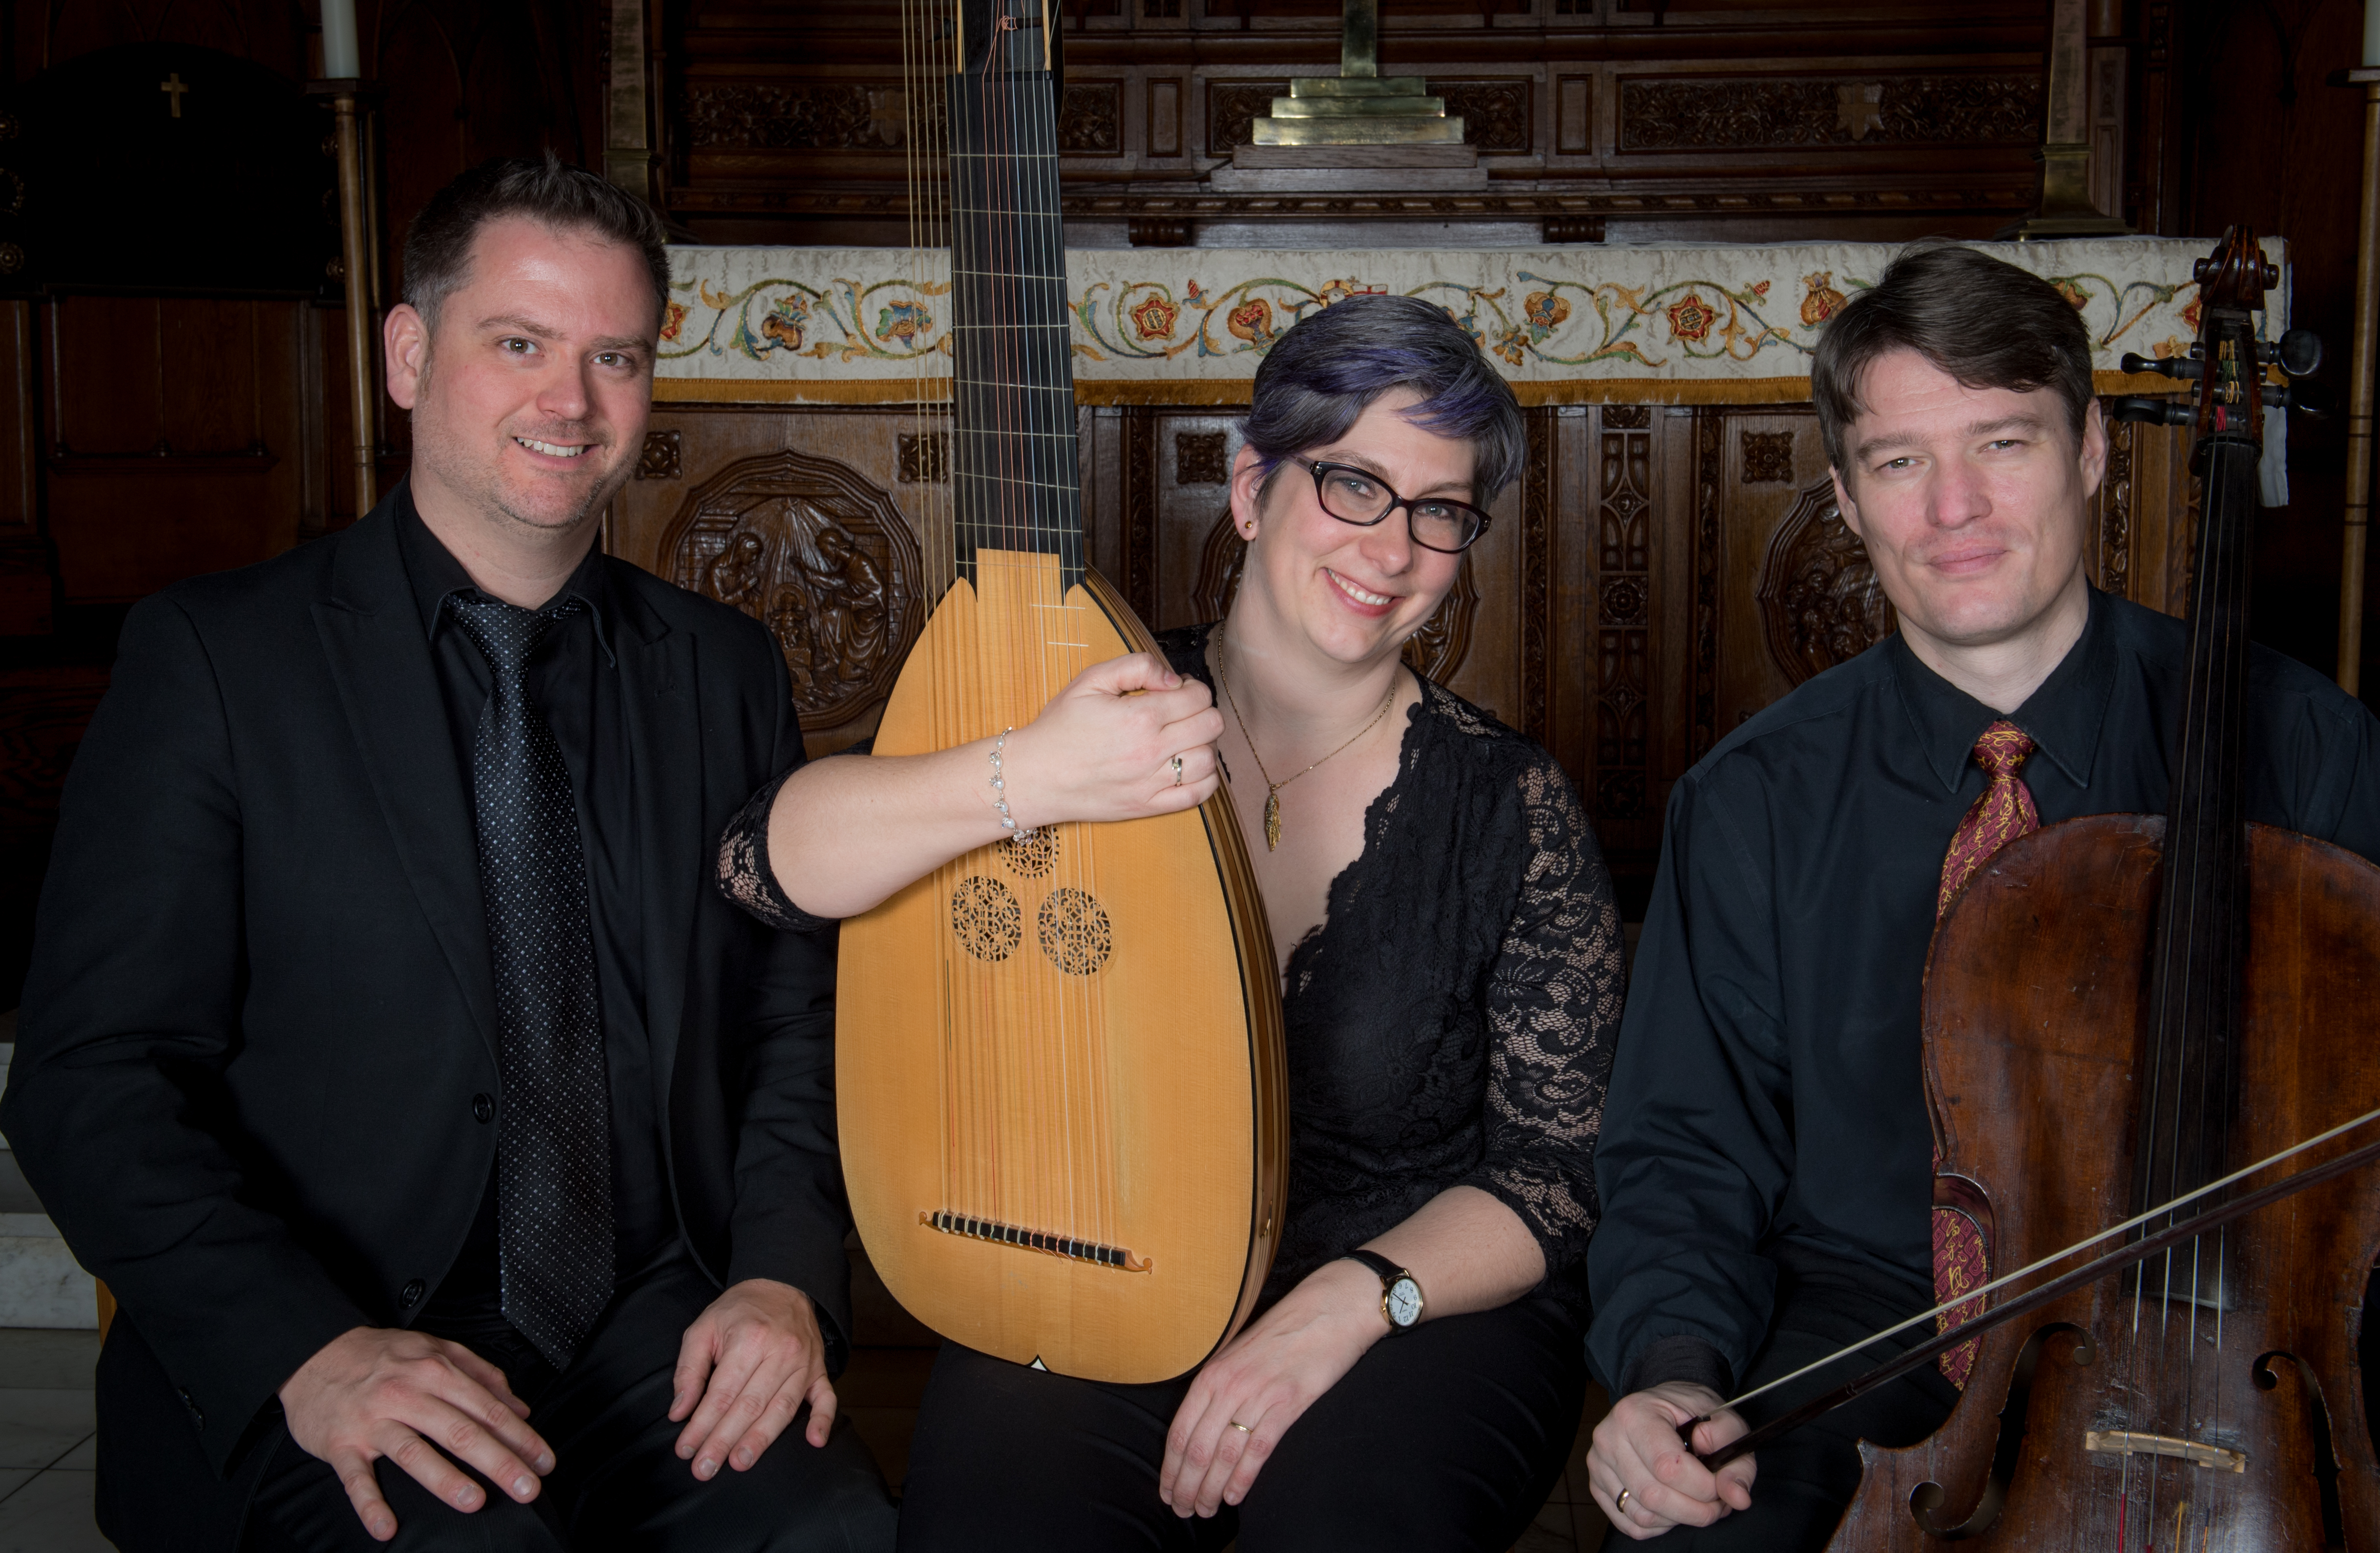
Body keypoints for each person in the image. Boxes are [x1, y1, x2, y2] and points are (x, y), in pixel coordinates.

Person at [1583, 242, 2380, 1550]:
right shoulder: (1752, 801)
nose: (1955, 507)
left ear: (2093, 450)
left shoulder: (2309, 754)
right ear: (1846, 499)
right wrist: (1671, 1370)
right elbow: (1684, 1153)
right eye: (1900, 461)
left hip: (2260, 1352)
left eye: (2003, 443)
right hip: (1869, 1341)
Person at [1, 156, 897, 1552]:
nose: (572, 402)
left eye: (615, 357)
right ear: (409, 355)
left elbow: (791, 1017)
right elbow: (90, 1079)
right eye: (521, 344)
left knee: (832, 1534)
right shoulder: (217, 660)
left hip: (653, 1322)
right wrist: (308, 1351)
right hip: (340, 1324)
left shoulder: (724, 668)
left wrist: (783, 1277)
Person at [715, 293, 1624, 1552]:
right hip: (1099, 1273)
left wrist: (1353, 1303)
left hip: (1413, 1303)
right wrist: (1027, 775)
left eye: (1441, 511)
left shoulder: (1509, 805)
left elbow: (1554, 1176)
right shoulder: (1082, 718)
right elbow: (758, 870)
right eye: (1354, 484)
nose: (1393, 547)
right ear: (1252, 490)